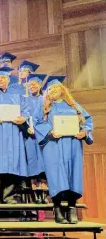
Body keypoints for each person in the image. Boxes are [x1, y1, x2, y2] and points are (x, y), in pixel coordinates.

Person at [33, 75, 93, 224]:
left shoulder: (73, 105)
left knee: (74, 174)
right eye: (50, 88)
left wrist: (84, 132)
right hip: (53, 145)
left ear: (62, 89)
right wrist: (49, 132)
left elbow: (88, 120)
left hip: (72, 144)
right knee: (55, 175)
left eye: (55, 87)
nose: (53, 90)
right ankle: (58, 209)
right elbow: (36, 122)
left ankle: (71, 209)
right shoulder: (44, 107)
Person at [0, 67, 29, 204]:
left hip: (13, 133)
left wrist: (24, 119)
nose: (0, 80)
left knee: (12, 164)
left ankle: (8, 196)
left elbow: (26, 111)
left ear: (8, 80)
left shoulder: (17, 96)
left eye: (3, 78)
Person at [24, 73, 47, 203]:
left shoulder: (45, 99)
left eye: (34, 84)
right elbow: (24, 116)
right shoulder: (25, 100)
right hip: (30, 136)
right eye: (29, 85)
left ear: (40, 85)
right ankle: (35, 195)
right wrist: (27, 127)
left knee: (43, 164)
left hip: (42, 136)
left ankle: (43, 193)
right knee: (32, 163)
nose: (32, 87)